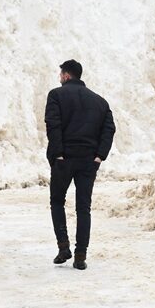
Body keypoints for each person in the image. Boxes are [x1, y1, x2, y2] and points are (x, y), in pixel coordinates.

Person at [45, 59, 115, 271]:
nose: (60, 78)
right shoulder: (100, 101)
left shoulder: (56, 95)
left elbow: (53, 125)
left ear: (66, 75)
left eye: (61, 75)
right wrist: (99, 156)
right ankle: (80, 255)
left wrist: (57, 154)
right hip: (87, 161)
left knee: (57, 201)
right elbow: (109, 129)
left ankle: (63, 246)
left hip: (64, 160)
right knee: (83, 207)